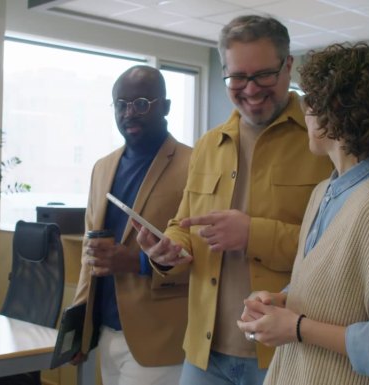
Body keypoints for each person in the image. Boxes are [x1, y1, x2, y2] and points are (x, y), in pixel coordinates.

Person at [135, 15, 333, 385]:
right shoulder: (209, 144)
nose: (252, 90)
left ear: (288, 66)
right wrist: (167, 249)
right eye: (238, 78)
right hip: (204, 353)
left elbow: (337, 250)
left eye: (264, 75)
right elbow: (184, 223)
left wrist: (251, 234)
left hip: (286, 352)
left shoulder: (323, 141)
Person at [236, 42, 369, 385]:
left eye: (311, 100)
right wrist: (281, 300)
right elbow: (340, 293)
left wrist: (297, 328)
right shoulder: (325, 192)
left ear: (341, 112)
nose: (304, 109)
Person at [70, 65, 192, 385]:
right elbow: (90, 253)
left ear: (165, 107)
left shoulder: (194, 165)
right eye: (121, 105)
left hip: (159, 337)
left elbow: (207, 256)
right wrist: (79, 325)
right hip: (107, 331)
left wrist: (137, 262)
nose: (129, 113)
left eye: (140, 103)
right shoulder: (102, 167)